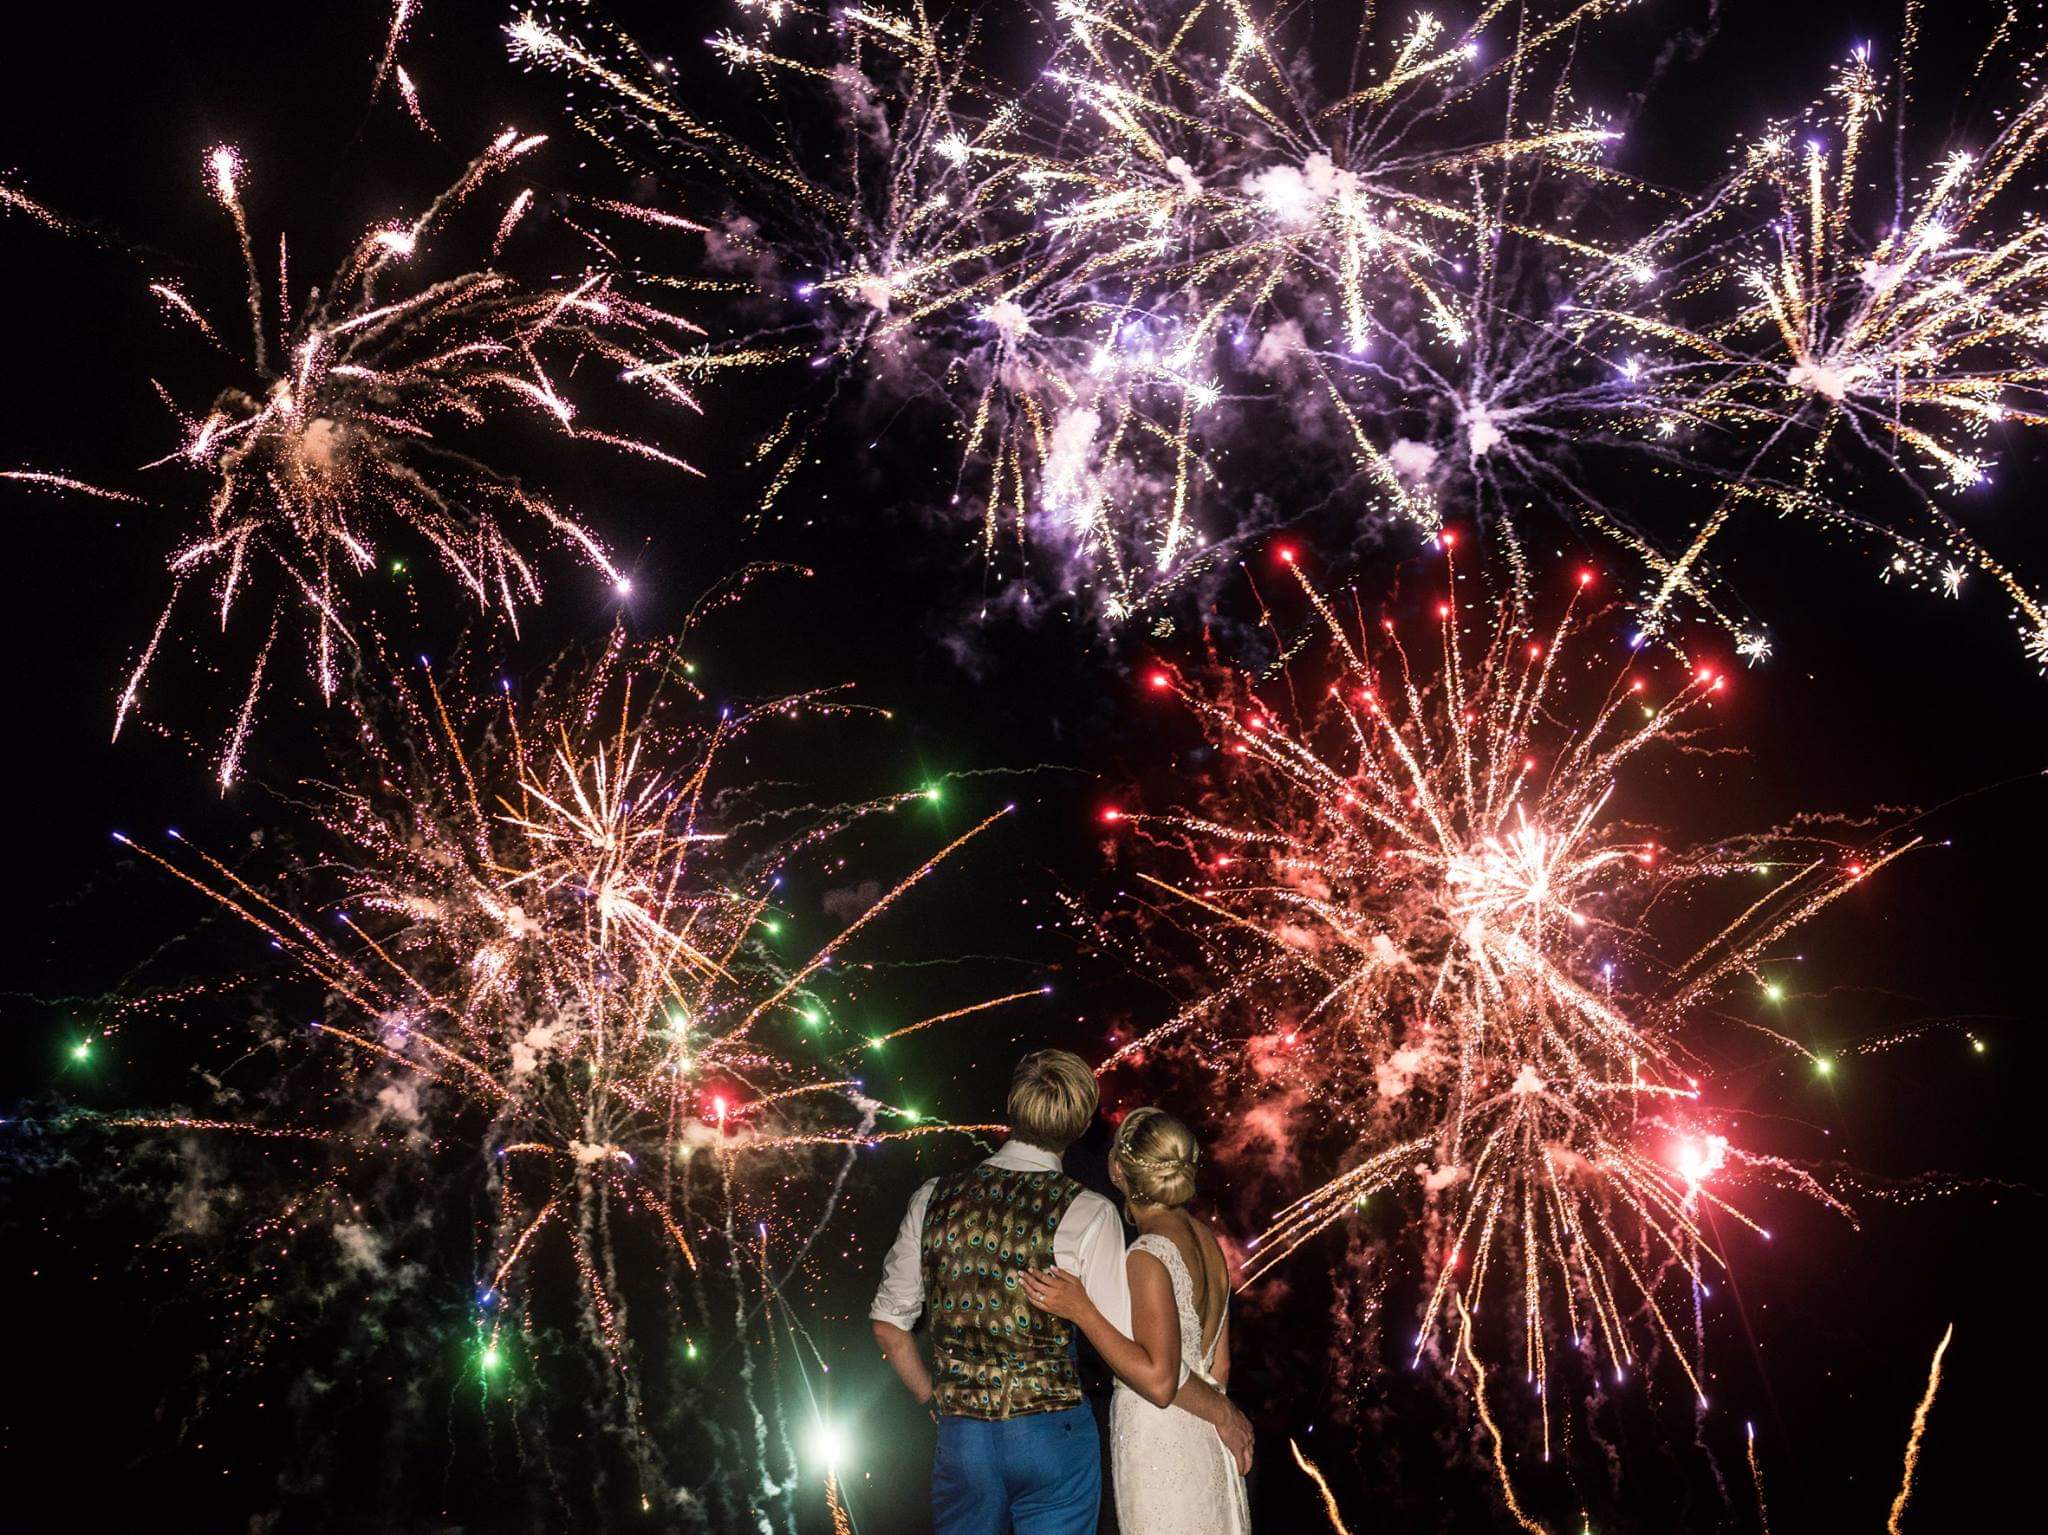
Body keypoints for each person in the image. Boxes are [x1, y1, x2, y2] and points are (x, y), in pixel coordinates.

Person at [871, 1051, 1253, 1535]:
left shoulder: (931, 1196)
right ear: (1081, 1125)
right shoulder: (1090, 1212)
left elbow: (889, 1327)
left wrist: (935, 1400)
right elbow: (1142, 1355)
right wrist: (1221, 1407)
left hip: (963, 1436)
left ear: (1012, 1105)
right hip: (1053, 1437)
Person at [1020, 1107, 1252, 1535]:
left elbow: (1159, 1381)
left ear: (1119, 1172)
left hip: (1164, 1450)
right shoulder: (1208, 1242)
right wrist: (1220, 1413)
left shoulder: (1147, 1255)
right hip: (1209, 1443)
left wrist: (1082, 1310)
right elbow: (1219, 1368)